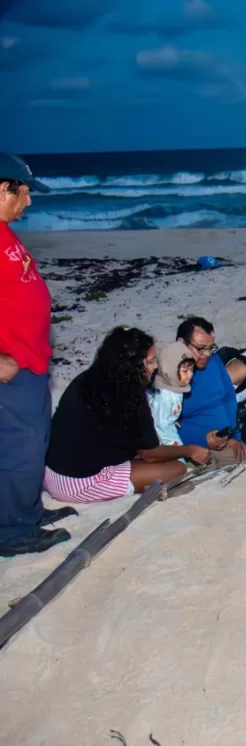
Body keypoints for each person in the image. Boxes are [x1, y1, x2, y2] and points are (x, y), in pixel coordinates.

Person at [0, 154, 76, 555]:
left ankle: (26, 512)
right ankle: (11, 532)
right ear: (3, 189)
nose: (28, 202)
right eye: (24, 193)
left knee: (33, 444)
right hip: (11, 368)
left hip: (32, 362)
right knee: (18, 447)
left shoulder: (4, 232)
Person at [43, 327, 209, 503]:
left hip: (49, 471)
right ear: (133, 365)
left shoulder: (87, 378)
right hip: (76, 484)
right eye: (151, 361)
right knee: (176, 469)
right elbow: (149, 454)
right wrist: (189, 450)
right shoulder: (130, 395)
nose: (156, 366)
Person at [176, 317, 246, 464]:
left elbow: (229, 399)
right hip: (192, 448)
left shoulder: (214, 362)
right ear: (181, 343)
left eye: (211, 348)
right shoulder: (169, 375)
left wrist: (234, 436)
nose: (207, 354)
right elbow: (161, 428)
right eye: (201, 348)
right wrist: (201, 439)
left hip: (226, 441)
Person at [148, 342, 195, 445]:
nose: (190, 375)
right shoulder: (165, 395)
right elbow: (159, 423)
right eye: (185, 371)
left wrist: (172, 418)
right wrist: (170, 443)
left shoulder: (175, 387)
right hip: (160, 436)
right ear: (170, 371)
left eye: (191, 370)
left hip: (168, 428)